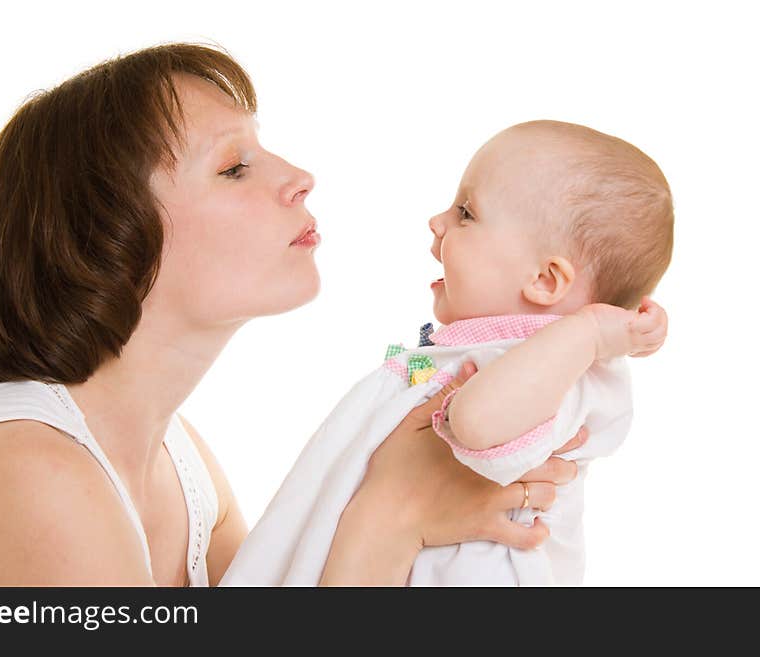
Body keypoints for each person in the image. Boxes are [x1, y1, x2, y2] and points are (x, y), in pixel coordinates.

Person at [0, 45, 585, 587]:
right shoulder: (28, 469)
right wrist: (391, 514)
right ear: (112, 241)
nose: (297, 176)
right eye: (233, 167)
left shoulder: (180, 462)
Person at [221, 121, 672, 585]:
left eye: (466, 213)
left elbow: (476, 423)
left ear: (544, 281)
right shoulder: (474, 352)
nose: (438, 223)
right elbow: (397, 400)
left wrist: (592, 333)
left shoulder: (568, 371)